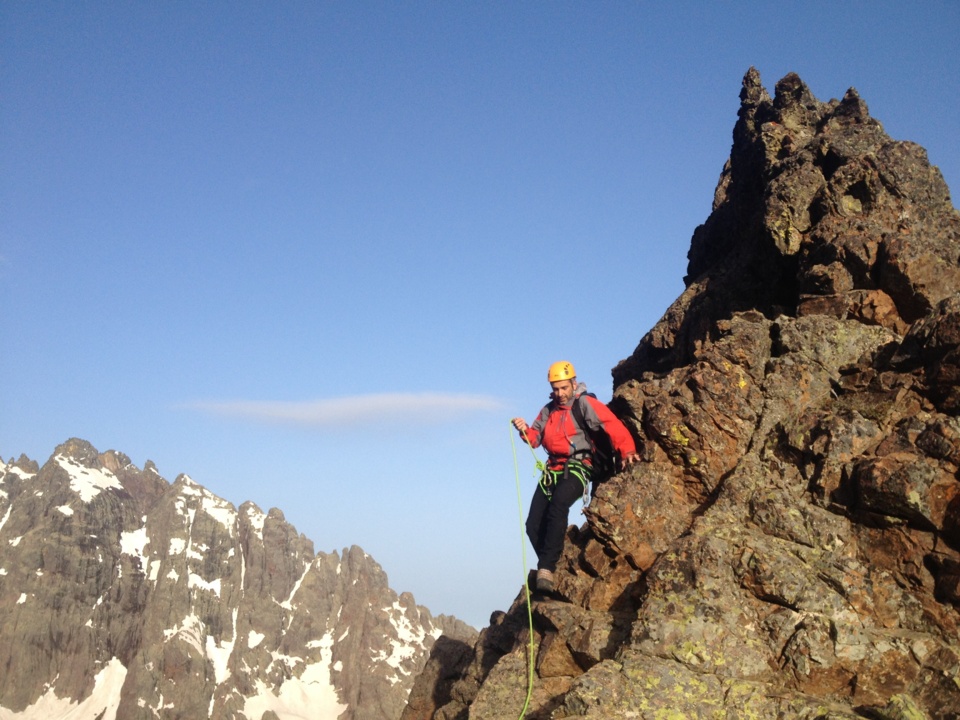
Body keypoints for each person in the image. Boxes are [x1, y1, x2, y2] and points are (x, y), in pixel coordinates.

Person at [512, 360, 640, 593]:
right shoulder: (548, 410)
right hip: (553, 470)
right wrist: (523, 430)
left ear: (573, 383)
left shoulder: (584, 404)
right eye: (555, 388)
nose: (560, 393)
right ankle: (553, 564)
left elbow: (610, 423)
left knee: (559, 505)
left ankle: (547, 569)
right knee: (532, 524)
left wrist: (628, 450)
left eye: (564, 387)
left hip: (579, 466)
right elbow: (535, 439)